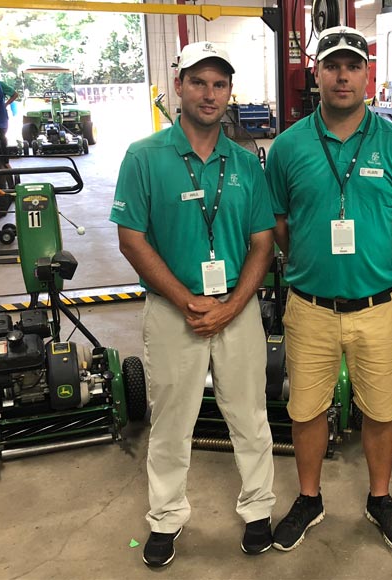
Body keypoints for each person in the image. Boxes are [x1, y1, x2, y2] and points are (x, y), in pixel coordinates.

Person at [110, 41, 276, 567]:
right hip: (170, 311)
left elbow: (262, 244)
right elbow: (131, 239)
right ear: (178, 87)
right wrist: (187, 301)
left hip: (237, 309)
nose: (210, 94)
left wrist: (232, 305)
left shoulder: (246, 164)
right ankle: (164, 520)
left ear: (230, 93)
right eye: (199, 82)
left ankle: (258, 510)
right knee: (172, 420)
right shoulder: (144, 157)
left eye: (220, 84)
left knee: (249, 416)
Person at [265, 25, 392, 552]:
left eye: (353, 66)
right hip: (308, 307)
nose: (342, 75)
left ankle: (379, 498)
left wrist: (378, 259)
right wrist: (307, 260)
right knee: (305, 410)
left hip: (376, 308)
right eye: (332, 65)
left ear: (367, 75)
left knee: (382, 411)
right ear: (316, 73)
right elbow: (280, 222)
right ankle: (309, 499)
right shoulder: (289, 146)